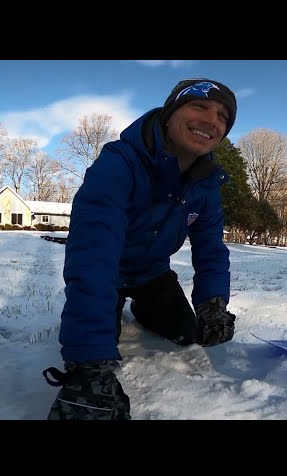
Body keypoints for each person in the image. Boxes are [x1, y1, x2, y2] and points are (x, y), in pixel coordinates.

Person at [44, 78, 238, 420]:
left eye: (223, 117)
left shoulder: (206, 185)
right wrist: (88, 364)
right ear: (169, 114)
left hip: (152, 273)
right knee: (102, 350)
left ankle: (145, 310)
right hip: (110, 274)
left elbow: (210, 249)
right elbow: (93, 255)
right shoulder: (119, 163)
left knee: (191, 333)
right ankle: (111, 315)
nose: (212, 120)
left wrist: (213, 303)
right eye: (199, 107)